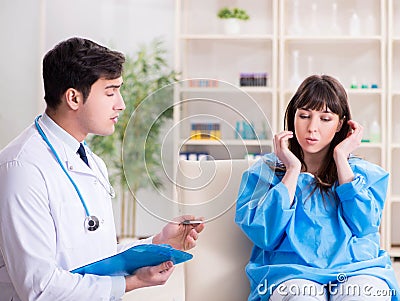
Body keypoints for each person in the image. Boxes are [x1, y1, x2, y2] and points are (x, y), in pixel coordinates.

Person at [0, 37, 204, 301]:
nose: (121, 104)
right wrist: (130, 284)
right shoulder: (22, 169)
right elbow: (39, 287)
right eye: (110, 92)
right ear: (73, 97)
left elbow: (96, 254)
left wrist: (158, 243)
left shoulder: (92, 161)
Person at [235, 74, 400, 300]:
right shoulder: (264, 173)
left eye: (325, 118)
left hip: (359, 269)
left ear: (340, 123)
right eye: (304, 116)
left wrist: (341, 157)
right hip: (291, 273)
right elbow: (266, 235)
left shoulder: (362, 174)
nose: (312, 128)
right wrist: (292, 169)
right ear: (293, 116)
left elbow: (365, 226)